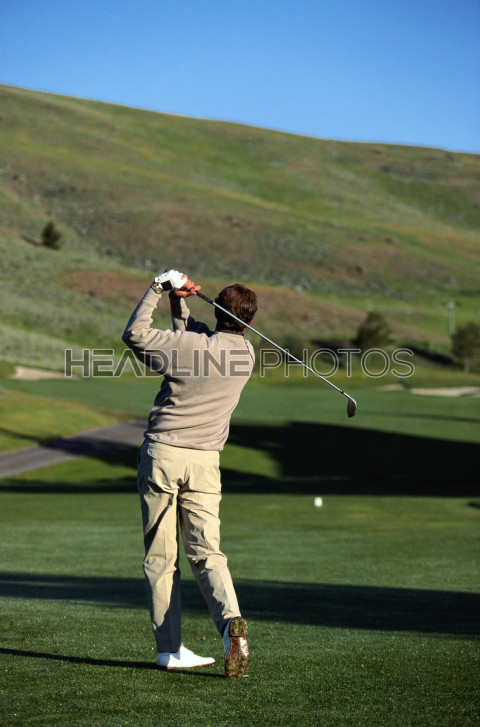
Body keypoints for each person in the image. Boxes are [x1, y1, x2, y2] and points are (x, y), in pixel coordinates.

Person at [122, 269, 257, 678]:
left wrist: (157, 289)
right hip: (205, 464)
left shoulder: (189, 346)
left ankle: (170, 649)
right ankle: (230, 624)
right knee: (207, 553)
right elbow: (198, 339)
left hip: (163, 457)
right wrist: (179, 302)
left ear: (216, 312)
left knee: (162, 558)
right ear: (250, 321)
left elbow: (136, 334)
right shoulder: (246, 355)